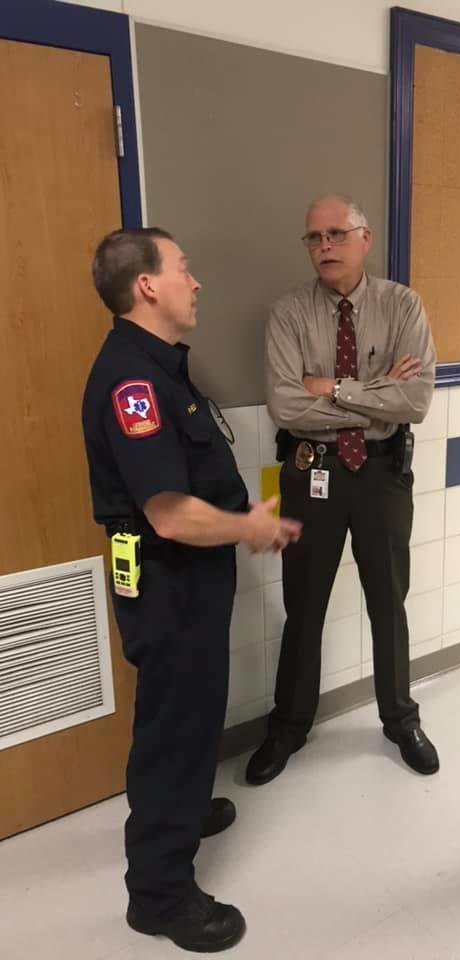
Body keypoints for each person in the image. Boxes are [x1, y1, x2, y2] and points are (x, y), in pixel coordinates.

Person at [81, 228, 302, 953]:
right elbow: (169, 514)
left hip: (188, 583)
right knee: (173, 729)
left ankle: (179, 812)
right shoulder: (131, 381)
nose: (196, 281)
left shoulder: (164, 369)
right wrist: (250, 527)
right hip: (166, 579)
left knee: (189, 713)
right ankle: (159, 895)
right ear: (147, 285)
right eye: (183, 268)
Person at [246, 194, 440, 785]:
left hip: (381, 474)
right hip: (310, 473)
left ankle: (400, 718)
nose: (323, 247)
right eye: (313, 238)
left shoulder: (402, 305)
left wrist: (330, 387)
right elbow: (285, 404)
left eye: (335, 234)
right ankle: (288, 726)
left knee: (389, 600)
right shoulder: (288, 313)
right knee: (303, 604)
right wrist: (373, 389)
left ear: (365, 238)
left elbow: (416, 400)